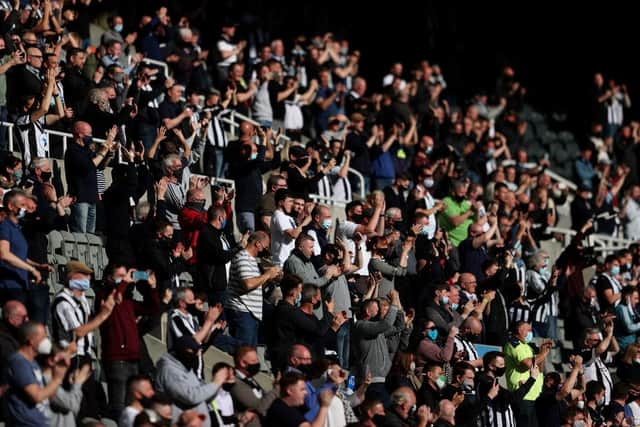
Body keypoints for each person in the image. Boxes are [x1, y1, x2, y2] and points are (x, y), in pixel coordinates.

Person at [155, 335, 233, 427]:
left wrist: (219, 382)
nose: (197, 355)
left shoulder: (185, 367)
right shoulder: (169, 371)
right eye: (193, 352)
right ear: (182, 351)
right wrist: (216, 383)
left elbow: (203, 396)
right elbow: (191, 397)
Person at [5, 321, 68, 426]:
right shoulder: (19, 362)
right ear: (30, 340)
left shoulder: (33, 362)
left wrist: (57, 370)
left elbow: (47, 396)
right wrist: (57, 378)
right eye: (43, 337)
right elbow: (37, 396)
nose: (47, 341)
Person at [225, 231, 282, 346]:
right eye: (265, 247)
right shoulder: (242, 258)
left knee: (250, 353)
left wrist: (271, 278)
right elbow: (248, 284)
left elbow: (255, 285)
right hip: (242, 312)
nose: (266, 250)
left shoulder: (251, 260)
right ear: (257, 244)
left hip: (250, 313)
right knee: (245, 353)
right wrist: (267, 275)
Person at [352, 290, 401, 404]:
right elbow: (386, 324)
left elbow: (399, 326)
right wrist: (393, 303)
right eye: (376, 309)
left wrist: (397, 300)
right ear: (368, 311)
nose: (379, 311)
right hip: (370, 381)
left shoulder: (377, 329)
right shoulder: (362, 326)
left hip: (381, 379)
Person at [196, 205, 249, 305]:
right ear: (220, 218)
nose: (226, 220)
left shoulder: (220, 234)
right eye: (225, 218)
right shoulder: (207, 234)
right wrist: (239, 247)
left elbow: (229, 252)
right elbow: (221, 256)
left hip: (228, 285)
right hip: (216, 287)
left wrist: (241, 244)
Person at [503, 321, 551, 427]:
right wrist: (542, 354)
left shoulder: (528, 346)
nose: (531, 333)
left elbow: (540, 368)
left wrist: (543, 352)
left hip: (534, 395)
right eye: (528, 330)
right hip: (523, 395)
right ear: (520, 330)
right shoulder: (513, 344)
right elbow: (527, 364)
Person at [0, 190, 43, 305]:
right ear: (10, 206)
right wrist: (31, 269)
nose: (25, 209)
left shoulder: (17, 228)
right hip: (10, 285)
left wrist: (37, 265)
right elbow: (4, 254)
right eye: (22, 205)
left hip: (21, 283)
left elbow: (18, 255)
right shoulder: (4, 227)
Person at [229, 346, 278, 426]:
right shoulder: (235, 382)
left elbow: (263, 396)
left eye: (257, 360)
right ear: (243, 363)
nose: (257, 363)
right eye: (254, 361)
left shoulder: (249, 378)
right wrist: (276, 389)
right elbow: (259, 406)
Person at [264, 371, 334, 427]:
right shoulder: (283, 410)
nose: (306, 392)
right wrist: (324, 406)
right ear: (289, 391)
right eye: (302, 389)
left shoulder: (286, 405)